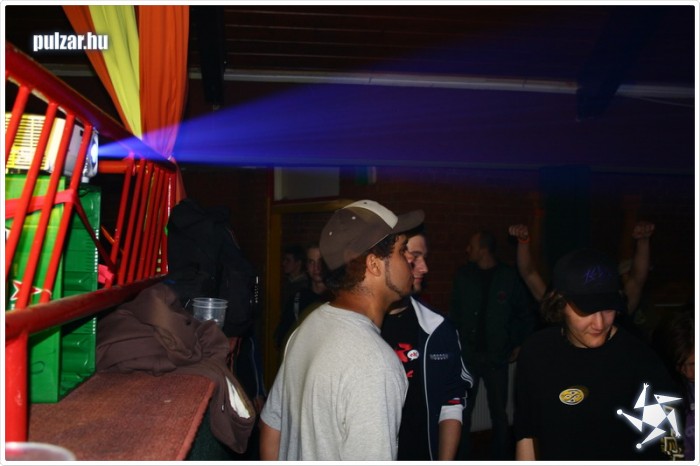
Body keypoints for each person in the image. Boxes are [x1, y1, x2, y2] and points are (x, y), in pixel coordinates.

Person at [260, 199, 424, 460]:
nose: (410, 261)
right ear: (374, 264)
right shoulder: (374, 363)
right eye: (402, 250)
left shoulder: (306, 327)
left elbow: (272, 428)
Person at [514, 248, 680, 461]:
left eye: (608, 308)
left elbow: (671, 447)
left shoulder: (641, 361)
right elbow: (526, 434)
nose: (600, 323)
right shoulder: (536, 353)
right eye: (587, 310)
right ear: (560, 303)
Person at [381, 227, 473, 460]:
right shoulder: (359, 328)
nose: (424, 268)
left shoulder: (437, 327)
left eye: (424, 258)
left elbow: (452, 401)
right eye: (413, 257)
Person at [450, 230, 537, 460]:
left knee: (499, 414)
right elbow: (455, 314)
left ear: (483, 249)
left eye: (471, 246)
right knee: (462, 413)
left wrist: (519, 342)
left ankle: (501, 458)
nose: (467, 250)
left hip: (497, 357)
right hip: (468, 356)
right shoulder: (464, 276)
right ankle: (461, 458)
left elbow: (524, 313)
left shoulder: (508, 277)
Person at [652, 309, 695, 460]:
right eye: (679, 364)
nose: (689, 373)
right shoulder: (663, 393)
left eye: (694, 364)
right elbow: (671, 453)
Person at [274, 242, 331, 349]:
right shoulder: (298, 299)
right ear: (306, 266)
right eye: (311, 262)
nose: (316, 268)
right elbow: (282, 337)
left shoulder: (338, 298)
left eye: (320, 262)